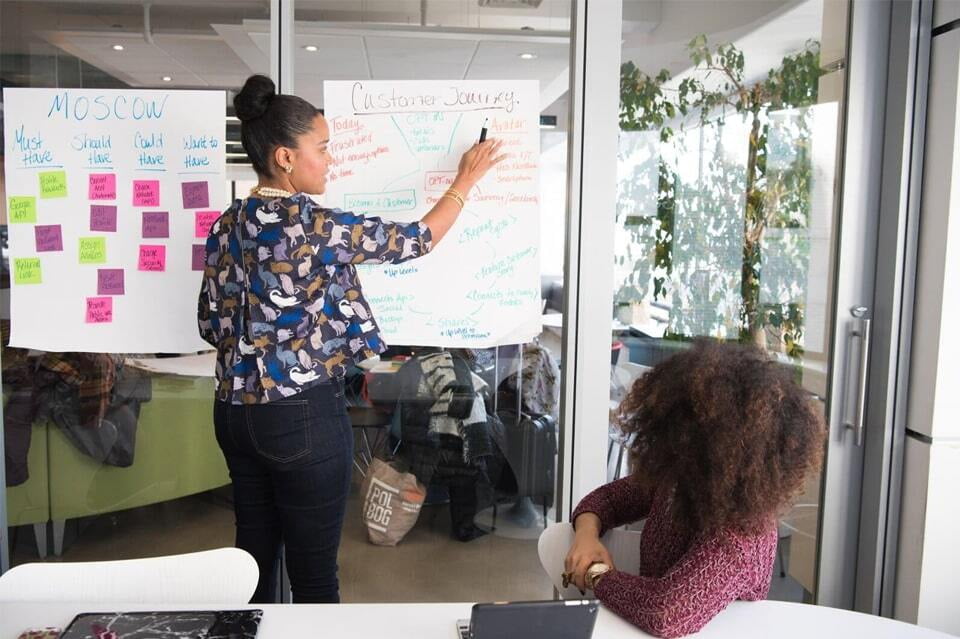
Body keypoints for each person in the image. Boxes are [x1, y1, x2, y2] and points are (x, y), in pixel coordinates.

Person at [197, 74, 505, 603]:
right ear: (285, 158)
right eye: (322, 148)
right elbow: (416, 240)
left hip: (233, 413)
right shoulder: (312, 225)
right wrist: (465, 181)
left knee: (253, 564)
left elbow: (208, 322)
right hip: (300, 417)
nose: (330, 159)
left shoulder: (226, 225)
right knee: (315, 576)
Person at [564, 340, 825, 638]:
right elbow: (606, 499)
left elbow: (665, 612)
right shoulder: (681, 480)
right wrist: (586, 538)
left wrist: (596, 574)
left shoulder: (742, 535)